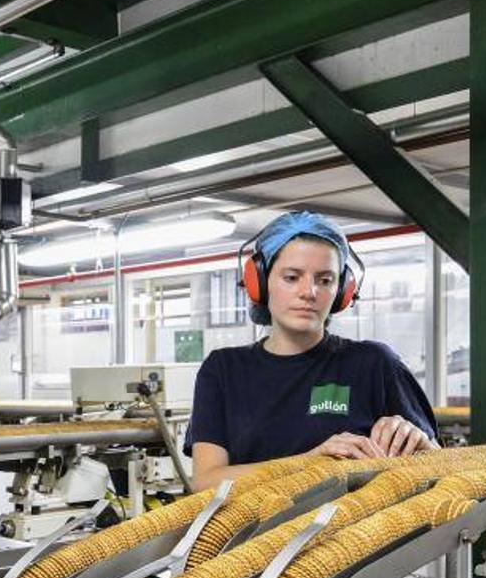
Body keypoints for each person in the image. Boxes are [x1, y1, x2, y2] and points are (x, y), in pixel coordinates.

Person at [185, 210, 438, 493]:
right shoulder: (224, 370)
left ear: (343, 290)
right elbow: (205, 482)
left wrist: (422, 444)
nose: (310, 292)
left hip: (355, 534)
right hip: (254, 536)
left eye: (325, 280)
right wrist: (309, 463)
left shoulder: (375, 364)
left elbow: (442, 469)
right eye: (292, 277)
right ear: (259, 282)